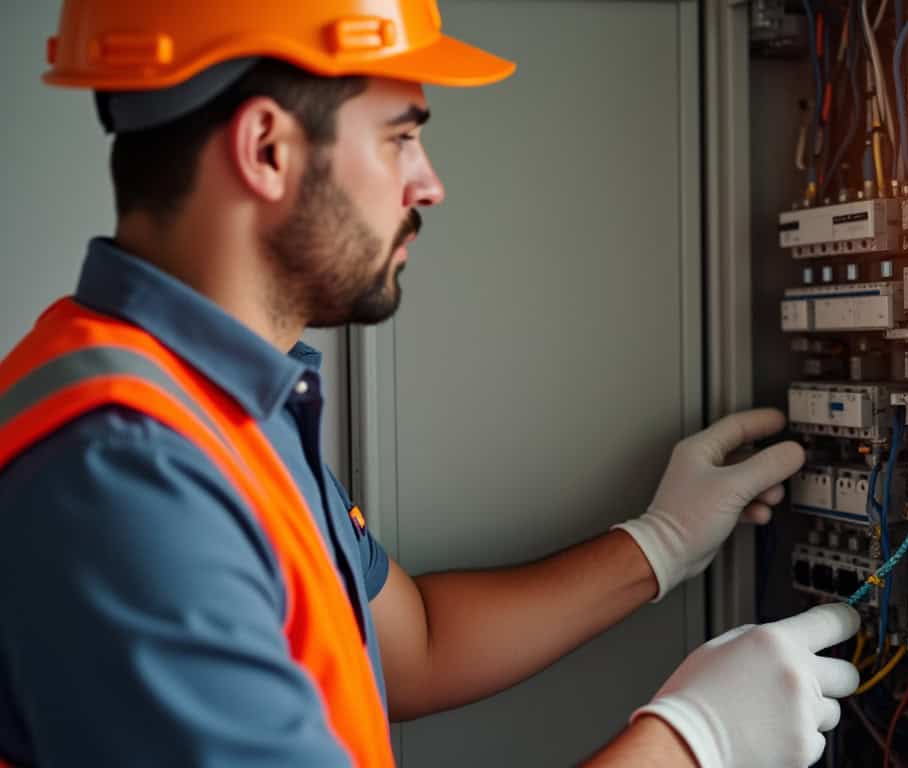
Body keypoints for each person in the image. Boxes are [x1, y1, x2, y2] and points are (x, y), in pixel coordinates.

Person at [0, 2, 861, 767]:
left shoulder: (206, 403)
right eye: (401, 137)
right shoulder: (123, 473)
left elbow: (413, 646)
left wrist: (663, 543)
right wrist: (688, 745)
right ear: (267, 149)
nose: (430, 184)